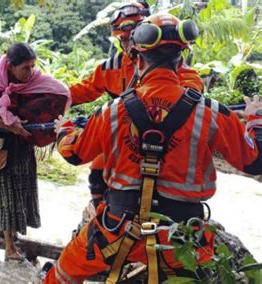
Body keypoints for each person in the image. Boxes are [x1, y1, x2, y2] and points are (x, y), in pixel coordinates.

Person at [44, 14, 262, 283]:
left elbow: (73, 153)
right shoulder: (212, 113)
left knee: (58, 276)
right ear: (180, 60)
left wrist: (64, 129)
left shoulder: (111, 112)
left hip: (115, 229)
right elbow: (254, 162)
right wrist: (256, 120)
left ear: (137, 59)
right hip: (183, 239)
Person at [69, 2, 204, 213]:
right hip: (126, 137)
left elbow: (191, 92)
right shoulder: (112, 67)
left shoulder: (176, 67)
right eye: (122, 39)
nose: (127, 44)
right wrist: (51, 96)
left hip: (165, 140)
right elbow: (85, 90)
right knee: (98, 170)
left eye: (131, 37)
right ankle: (102, 213)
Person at [0, 43, 71, 262]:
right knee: (5, 196)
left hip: (22, 148)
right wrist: (7, 124)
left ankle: (14, 238)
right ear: (11, 66)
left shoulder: (34, 83)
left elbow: (56, 94)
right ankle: (9, 247)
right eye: (25, 68)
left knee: (21, 193)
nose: (30, 72)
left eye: (33, 67)